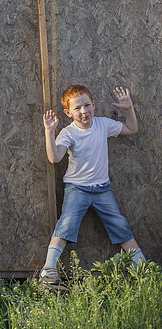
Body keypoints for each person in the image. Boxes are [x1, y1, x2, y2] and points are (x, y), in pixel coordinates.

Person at [40, 84, 145, 285]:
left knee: (119, 224)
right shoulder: (68, 133)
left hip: (102, 189)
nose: (83, 111)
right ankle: (48, 271)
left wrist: (128, 109)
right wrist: (49, 132)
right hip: (76, 188)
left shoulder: (103, 125)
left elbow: (132, 129)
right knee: (66, 223)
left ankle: (143, 269)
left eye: (87, 105)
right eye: (77, 108)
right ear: (68, 112)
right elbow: (54, 158)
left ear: (93, 105)